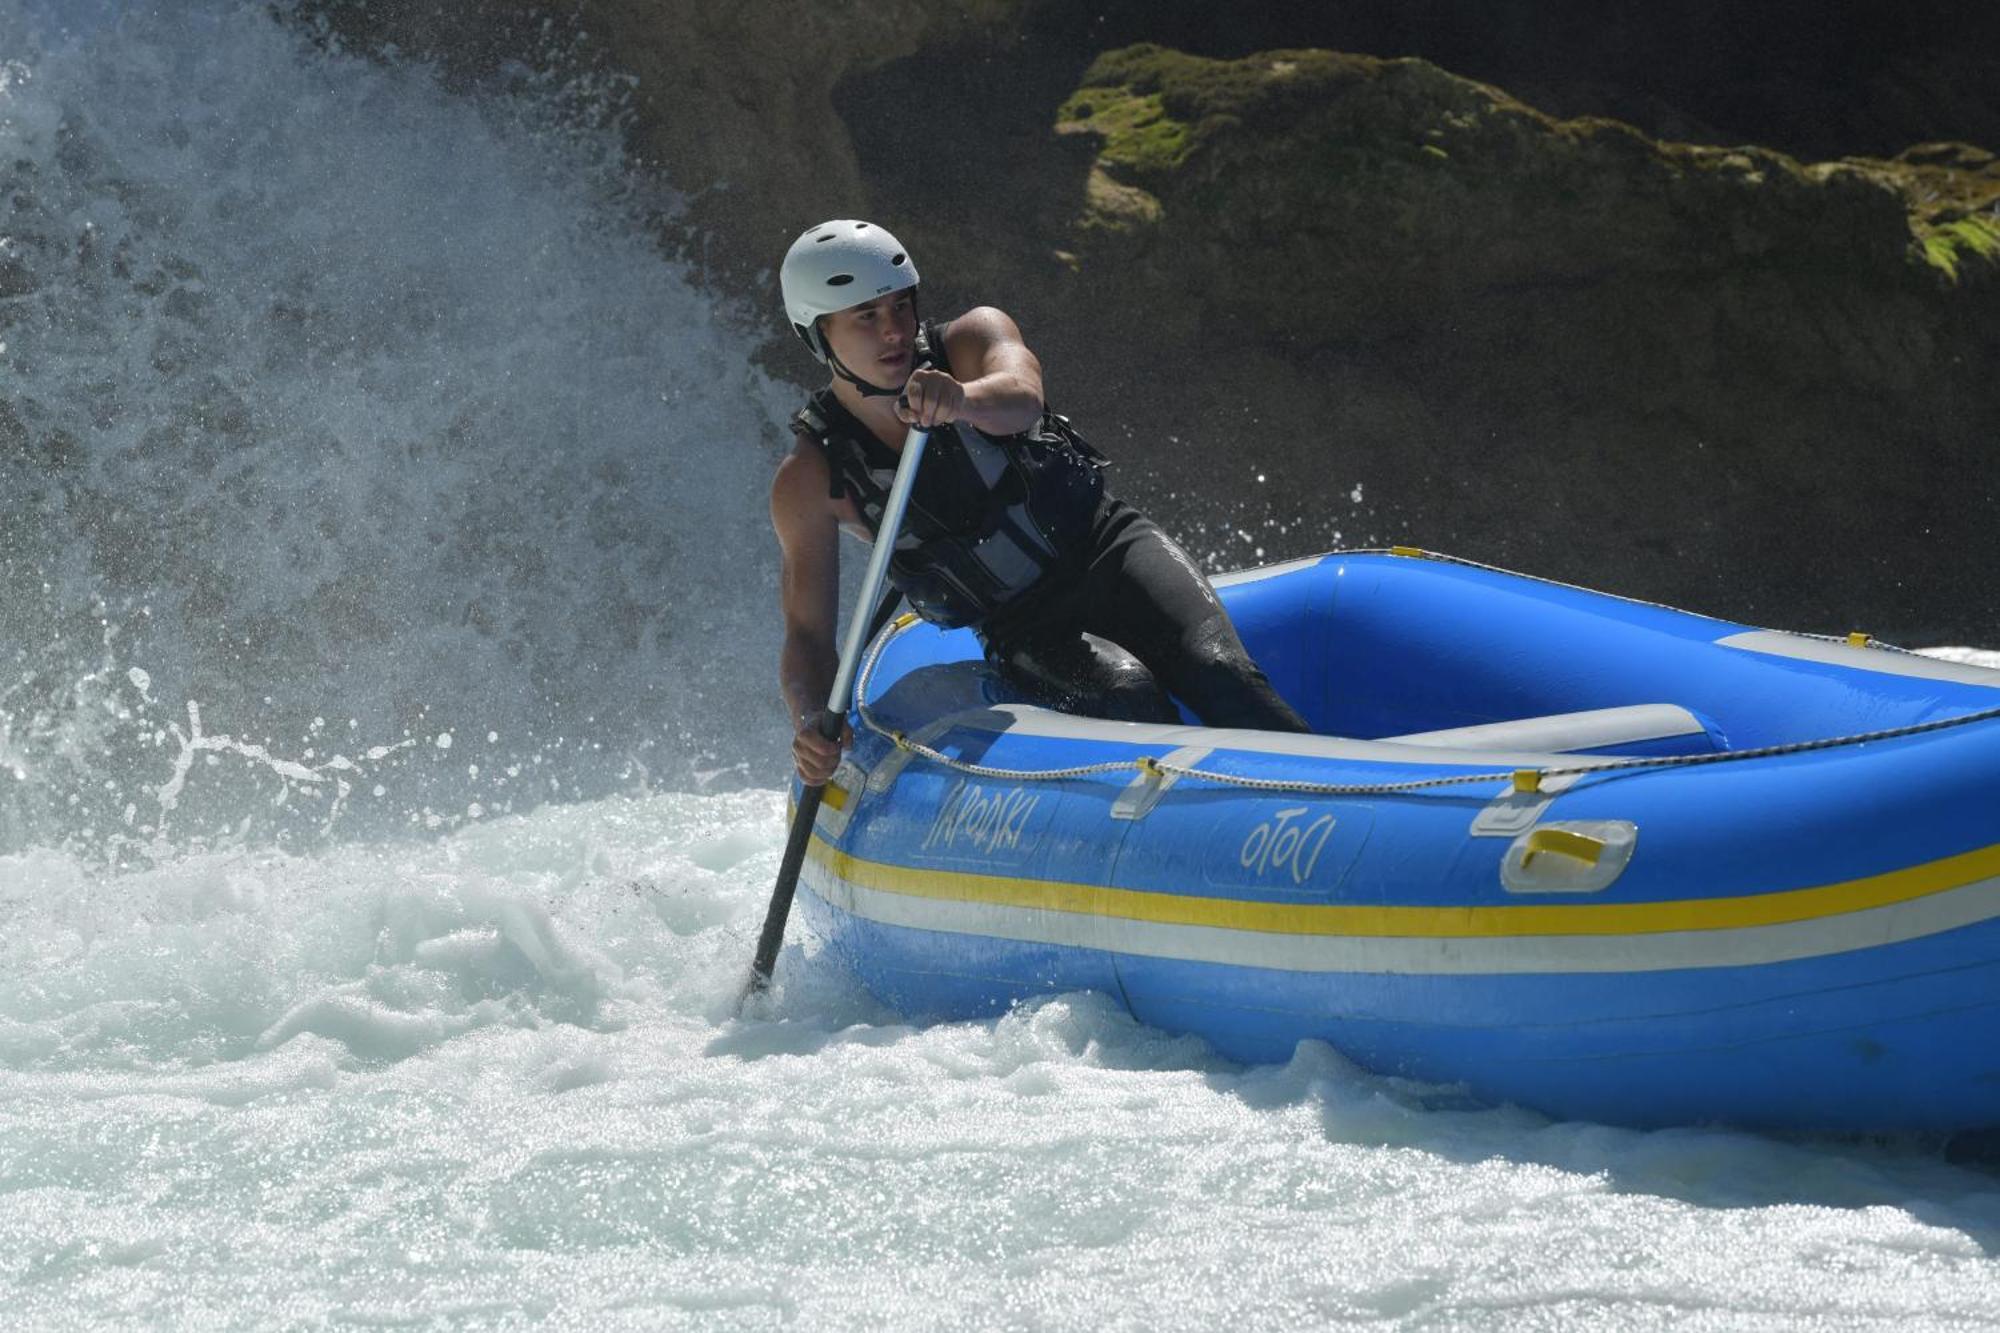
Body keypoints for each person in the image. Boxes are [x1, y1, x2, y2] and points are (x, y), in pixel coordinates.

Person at [771, 219, 1310, 784]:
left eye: (901, 306)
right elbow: (807, 636)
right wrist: (809, 716)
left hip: (1111, 551)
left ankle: (1320, 797)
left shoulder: (973, 338)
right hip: (1024, 626)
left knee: (1221, 674)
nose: (894, 331)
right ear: (818, 334)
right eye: (867, 316)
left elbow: (1023, 397)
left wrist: (961, 399)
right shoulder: (810, 478)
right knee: (1127, 697)